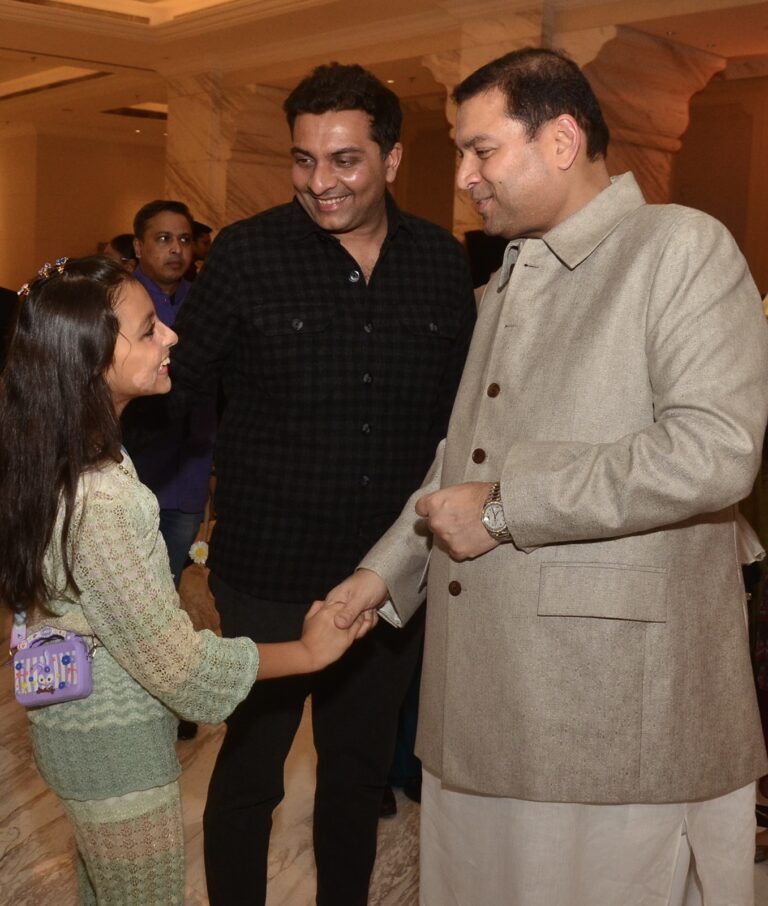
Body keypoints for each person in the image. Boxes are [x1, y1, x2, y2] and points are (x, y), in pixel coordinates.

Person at [326, 47, 768, 906]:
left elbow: (715, 450)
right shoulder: (505, 279)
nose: (462, 176)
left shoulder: (679, 246)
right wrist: (382, 572)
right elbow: (461, 461)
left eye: (481, 150)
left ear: (561, 140)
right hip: (481, 702)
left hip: (608, 709)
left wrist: (503, 510)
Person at [162, 62, 476, 905]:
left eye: (344, 161)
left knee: (357, 775)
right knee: (252, 772)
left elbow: (464, 425)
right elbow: (177, 385)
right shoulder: (248, 255)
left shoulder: (441, 266)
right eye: (304, 160)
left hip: (389, 567)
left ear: (394, 158)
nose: (320, 183)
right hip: (266, 566)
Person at [0, 256, 371, 905]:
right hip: (114, 756)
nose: (171, 335)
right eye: (148, 330)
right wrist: (311, 651)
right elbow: (183, 672)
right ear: (91, 361)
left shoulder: (49, 455)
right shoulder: (103, 499)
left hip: (75, 732)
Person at [124, 200, 216, 588]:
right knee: (127, 590)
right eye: (163, 239)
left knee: (169, 587)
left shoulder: (209, 303)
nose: (176, 249)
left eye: (183, 239)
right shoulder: (119, 302)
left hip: (191, 472)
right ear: (138, 246)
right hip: (136, 473)